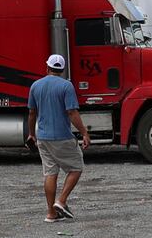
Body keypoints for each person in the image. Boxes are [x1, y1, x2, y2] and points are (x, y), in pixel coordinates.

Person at [27, 54, 91, 223]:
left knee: (50, 173)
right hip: (61, 136)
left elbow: (32, 112)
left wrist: (31, 134)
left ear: (47, 68)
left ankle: (51, 213)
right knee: (76, 167)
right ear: (62, 70)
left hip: (42, 137)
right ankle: (61, 201)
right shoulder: (66, 86)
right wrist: (84, 132)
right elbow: (72, 112)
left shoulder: (35, 85)